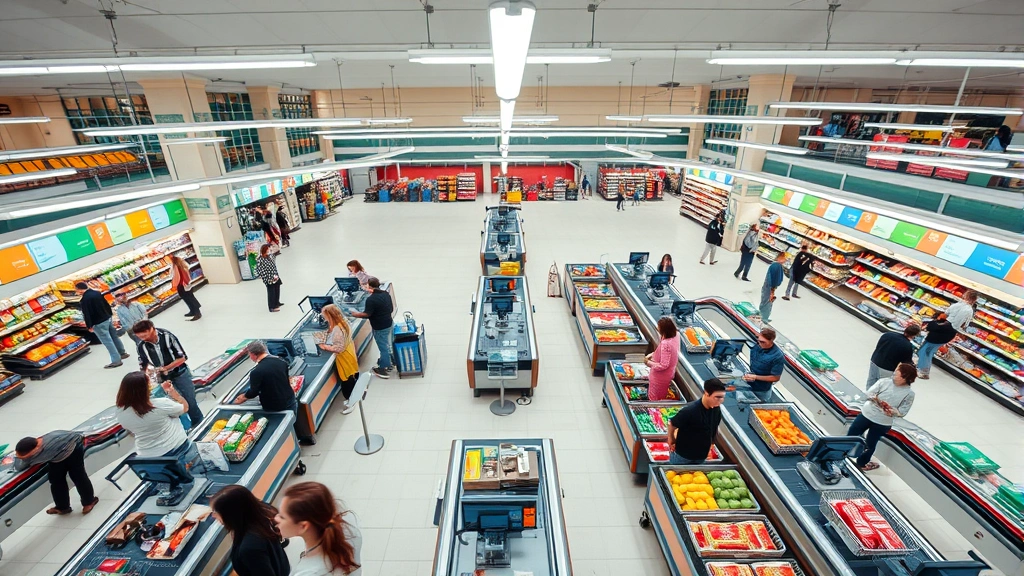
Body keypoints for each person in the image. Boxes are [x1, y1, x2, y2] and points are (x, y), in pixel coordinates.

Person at [275, 482, 362, 576]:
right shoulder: (348, 526)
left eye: (282, 517)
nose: (276, 518)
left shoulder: (308, 572)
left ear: (303, 526)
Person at [134, 320, 204, 428]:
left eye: (144, 334)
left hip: (180, 374)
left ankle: (200, 424)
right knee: (174, 405)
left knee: (190, 401)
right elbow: (143, 365)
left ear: (152, 328)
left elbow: (182, 357)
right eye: (140, 336)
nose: (142, 338)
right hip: (163, 380)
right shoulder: (141, 346)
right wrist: (149, 375)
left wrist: (166, 368)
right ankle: (186, 429)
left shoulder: (167, 336)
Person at [848, 363, 916, 471]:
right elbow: (869, 393)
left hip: (882, 422)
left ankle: (861, 463)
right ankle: (842, 454)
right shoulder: (884, 382)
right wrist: (874, 398)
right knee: (851, 434)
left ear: (905, 378)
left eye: (896, 375)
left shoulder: (909, 394)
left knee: (870, 444)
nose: (893, 376)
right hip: (867, 414)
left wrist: (893, 411)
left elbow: (903, 411)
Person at [211, 485, 289, 576]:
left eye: (215, 512)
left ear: (231, 515)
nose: (213, 516)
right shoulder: (263, 514)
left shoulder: (249, 548)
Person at [14, 430, 98, 515]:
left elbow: (20, 466)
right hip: (58, 452)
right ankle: (62, 507)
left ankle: (89, 501)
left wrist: (17, 458)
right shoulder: (40, 442)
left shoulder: (42, 453)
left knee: (78, 476)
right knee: (56, 480)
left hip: (73, 448)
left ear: (34, 450)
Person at [115, 371, 191, 458]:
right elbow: (185, 408)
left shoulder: (121, 413)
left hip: (147, 456)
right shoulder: (160, 404)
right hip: (176, 449)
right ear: (145, 389)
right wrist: (174, 394)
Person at [666, 379, 727, 465]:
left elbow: (714, 427)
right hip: (683, 456)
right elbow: (671, 423)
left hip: (701, 457)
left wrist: (712, 443)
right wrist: (671, 440)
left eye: (722, 397)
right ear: (706, 393)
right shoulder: (690, 410)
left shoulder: (716, 409)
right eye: (717, 397)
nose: (720, 401)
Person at [318, 304, 360, 415]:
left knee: (346, 380)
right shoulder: (344, 322)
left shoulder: (337, 329)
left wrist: (324, 346)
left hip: (344, 358)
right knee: (352, 375)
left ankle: (351, 402)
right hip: (350, 352)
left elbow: (338, 348)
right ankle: (353, 398)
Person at [233, 340, 297, 413]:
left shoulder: (256, 372)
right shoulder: (281, 362)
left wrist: (244, 396)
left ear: (253, 354)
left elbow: (254, 392)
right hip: (290, 400)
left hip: (274, 406)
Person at [77, 281, 129, 368]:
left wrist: (89, 325)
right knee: (114, 336)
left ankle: (116, 361)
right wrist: (110, 315)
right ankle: (122, 353)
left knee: (107, 341)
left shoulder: (84, 299)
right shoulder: (97, 293)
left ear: (79, 290)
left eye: (77, 290)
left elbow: (87, 313)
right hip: (107, 318)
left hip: (98, 323)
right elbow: (106, 305)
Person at [350, 277, 394, 379]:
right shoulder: (385, 294)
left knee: (383, 347)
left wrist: (355, 314)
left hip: (379, 327)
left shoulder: (371, 299)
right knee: (389, 343)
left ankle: (383, 368)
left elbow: (366, 314)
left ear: (369, 286)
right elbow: (391, 308)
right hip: (389, 322)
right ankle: (391, 361)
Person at [646, 317, 681, 402]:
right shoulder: (676, 335)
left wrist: (648, 362)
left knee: (654, 399)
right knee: (661, 397)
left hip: (660, 377)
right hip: (669, 374)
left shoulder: (666, 344)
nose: (657, 328)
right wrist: (652, 354)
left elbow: (663, 365)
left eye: (659, 327)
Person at [744, 327, 785, 396]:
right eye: (759, 341)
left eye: (763, 342)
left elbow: (775, 377)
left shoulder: (777, 356)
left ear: (771, 340)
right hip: (749, 384)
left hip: (761, 390)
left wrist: (755, 377)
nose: (760, 344)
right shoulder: (757, 346)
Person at [917, 314, 958, 380]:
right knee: (924, 353)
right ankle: (920, 367)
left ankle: (924, 372)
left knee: (925, 354)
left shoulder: (939, 325)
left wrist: (932, 322)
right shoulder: (951, 327)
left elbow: (930, 327)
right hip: (938, 342)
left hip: (932, 341)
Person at [171, 256, 201, 321]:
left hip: (182, 285)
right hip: (186, 285)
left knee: (189, 299)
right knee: (189, 298)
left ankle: (197, 313)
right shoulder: (182, 265)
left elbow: (174, 276)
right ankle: (192, 311)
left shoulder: (176, 267)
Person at [759, 252, 786, 323]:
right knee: (767, 302)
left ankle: (764, 316)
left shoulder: (776, 265)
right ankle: (763, 317)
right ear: (779, 258)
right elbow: (773, 278)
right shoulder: (776, 266)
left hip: (769, 287)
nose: (785, 260)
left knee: (767, 301)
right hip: (769, 287)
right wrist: (772, 289)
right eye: (784, 258)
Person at [256, 244, 283, 313]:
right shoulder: (260, 259)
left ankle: (277, 302)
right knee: (271, 292)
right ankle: (272, 307)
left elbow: (276, 252)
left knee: (277, 289)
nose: (269, 250)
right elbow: (259, 270)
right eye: (268, 249)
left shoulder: (271, 256)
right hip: (268, 278)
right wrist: (265, 279)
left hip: (275, 276)